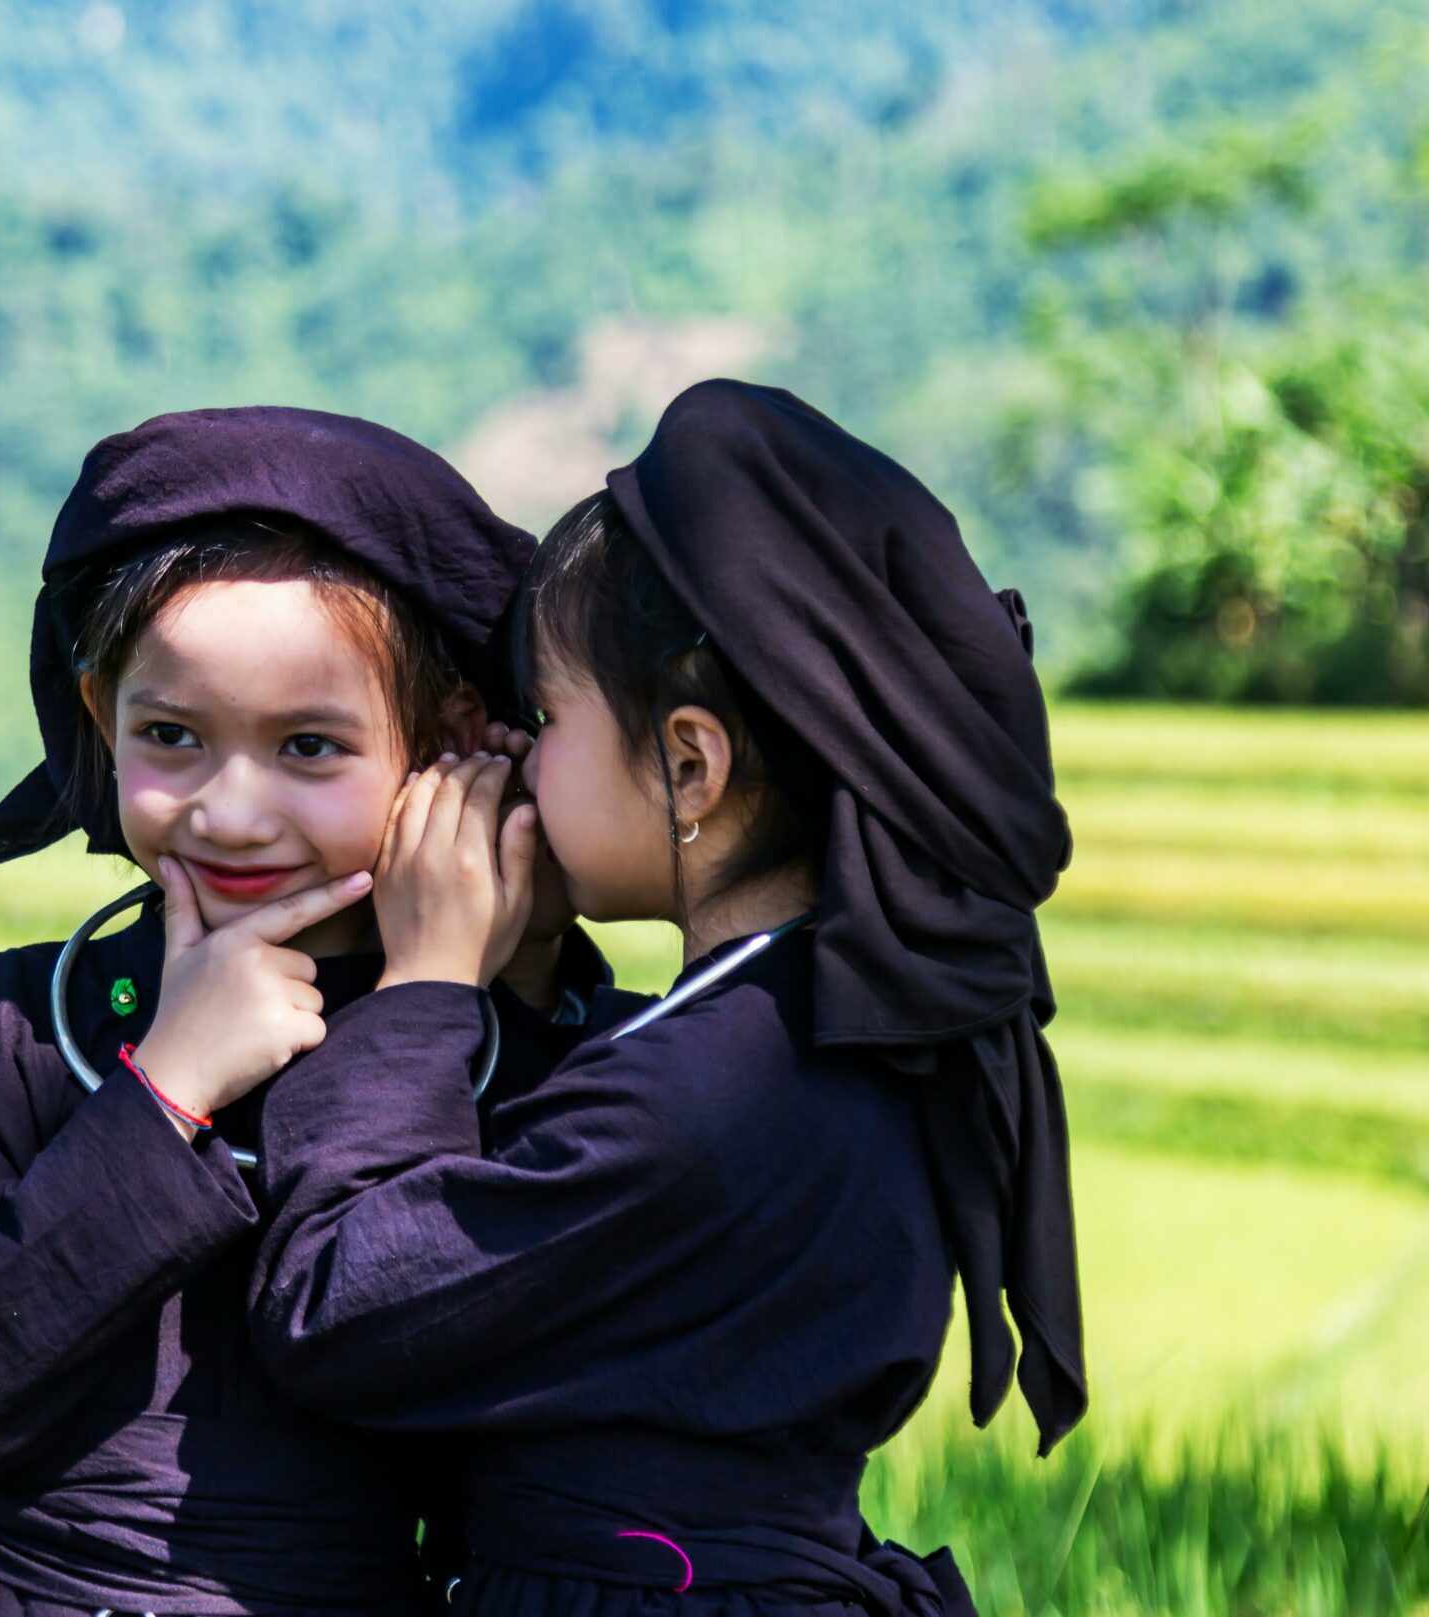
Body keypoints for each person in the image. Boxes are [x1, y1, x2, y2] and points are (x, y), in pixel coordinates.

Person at [246, 380, 1085, 1616]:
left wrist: (423, 983)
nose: (521, 757)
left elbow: (336, 1306)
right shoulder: (839, 1020)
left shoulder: (702, 1093)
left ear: (689, 762)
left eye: (548, 715)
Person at [0, 406, 616, 1616]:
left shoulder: (543, 1057)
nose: (229, 812)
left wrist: (495, 982)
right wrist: (164, 1086)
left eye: (310, 747)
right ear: (94, 713)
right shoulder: (3, 1029)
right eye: (171, 737)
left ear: (445, 749)